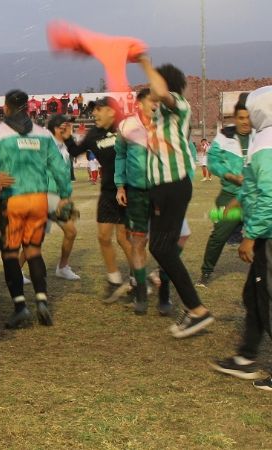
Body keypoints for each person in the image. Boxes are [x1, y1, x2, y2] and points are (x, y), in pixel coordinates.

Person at [136, 57, 213, 337]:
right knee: (159, 247)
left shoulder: (179, 104)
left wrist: (145, 63)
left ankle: (196, 309)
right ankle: (194, 308)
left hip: (173, 184)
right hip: (161, 188)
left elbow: (160, 93)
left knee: (162, 247)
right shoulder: (158, 116)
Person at [0, 91, 72, 329]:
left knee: (11, 254)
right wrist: (64, 197)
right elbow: (60, 169)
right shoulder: (43, 134)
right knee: (33, 250)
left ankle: (20, 306)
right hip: (39, 200)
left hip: (13, 200)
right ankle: (42, 299)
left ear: (6, 108)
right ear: (28, 109)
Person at [209, 85, 272, 390]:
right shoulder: (264, 139)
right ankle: (246, 356)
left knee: (267, 297)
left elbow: (268, 196)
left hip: (268, 234)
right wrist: (232, 208)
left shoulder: (265, 141)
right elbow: (252, 187)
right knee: (254, 295)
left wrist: (250, 236)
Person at [66, 97, 133, 297]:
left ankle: (137, 279)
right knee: (103, 237)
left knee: (124, 238)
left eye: (98, 110)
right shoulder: (93, 134)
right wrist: (68, 136)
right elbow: (74, 151)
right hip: (108, 192)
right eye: (93, 111)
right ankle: (114, 279)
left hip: (130, 190)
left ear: (112, 111)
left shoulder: (127, 128)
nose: (93, 114)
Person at [115, 88, 170, 315]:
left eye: (158, 102)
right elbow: (120, 155)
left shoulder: (167, 125)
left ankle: (165, 294)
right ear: (139, 103)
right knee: (138, 242)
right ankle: (140, 294)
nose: (156, 105)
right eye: (151, 101)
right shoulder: (126, 127)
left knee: (164, 244)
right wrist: (120, 185)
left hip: (162, 190)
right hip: (137, 193)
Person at [197, 95, 254, 287]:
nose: (245, 122)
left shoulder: (261, 136)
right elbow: (212, 161)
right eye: (241, 118)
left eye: (248, 117)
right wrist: (229, 175)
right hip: (229, 196)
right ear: (235, 118)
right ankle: (206, 272)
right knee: (221, 233)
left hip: (254, 196)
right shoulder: (224, 136)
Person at [45, 114, 82, 281]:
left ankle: (62, 267)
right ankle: (62, 267)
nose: (71, 128)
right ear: (59, 128)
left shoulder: (63, 146)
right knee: (37, 237)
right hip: (48, 194)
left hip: (57, 195)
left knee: (69, 232)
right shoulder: (47, 144)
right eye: (68, 125)